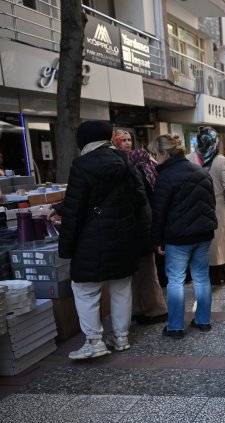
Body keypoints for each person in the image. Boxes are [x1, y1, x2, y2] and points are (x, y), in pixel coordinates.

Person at [58, 120, 150, 359]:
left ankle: (94, 341)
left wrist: (66, 247)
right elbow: (140, 201)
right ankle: (121, 337)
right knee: (121, 289)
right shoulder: (125, 161)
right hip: (125, 237)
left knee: (85, 289)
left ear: (84, 140)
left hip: (92, 240)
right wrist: (145, 237)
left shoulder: (82, 165)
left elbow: (74, 209)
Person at [150, 134, 217, 338]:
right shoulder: (201, 171)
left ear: (164, 153)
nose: (155, 159)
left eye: (156, 154)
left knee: (176, 280)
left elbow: (159, 212)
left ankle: (176, 326)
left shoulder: (165, 176)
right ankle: (204, 320)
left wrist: (157, 239)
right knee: (201, 277)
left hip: (177, 237)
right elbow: (211, 203)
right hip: (203, 234)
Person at [187, 127, 225, 286]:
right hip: (217, 205)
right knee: (217, 242)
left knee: (200, 240)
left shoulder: (188, 158)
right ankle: (219, 274)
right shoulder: (220, 160)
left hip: (194, 205)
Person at [127, 148, 168, 324]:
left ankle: (153, 309)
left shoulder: (138, 173)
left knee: (145, 272)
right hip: (148, 227)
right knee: (147, 271)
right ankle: (147, 308)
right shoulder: (151, 171)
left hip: (141, 228)